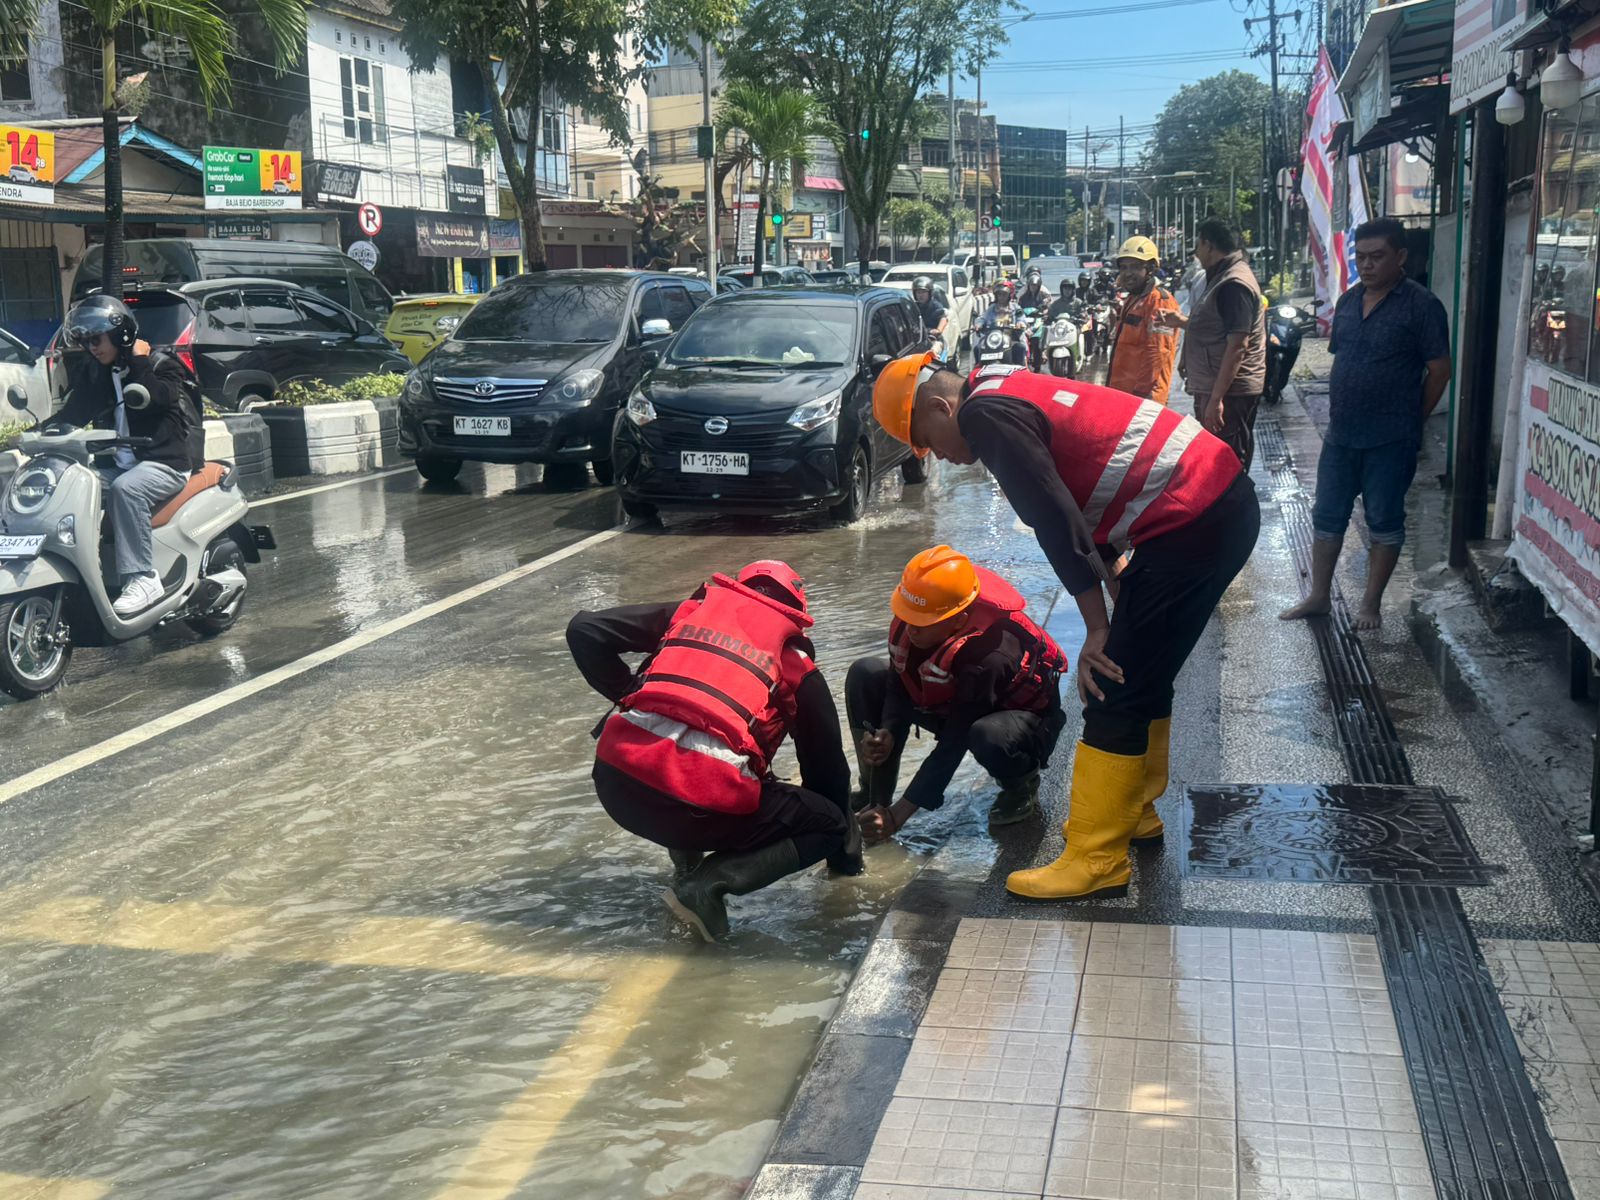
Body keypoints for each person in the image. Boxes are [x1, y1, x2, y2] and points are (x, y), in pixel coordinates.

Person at [872, 355, 1259, 900]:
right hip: (1204, 506)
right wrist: (1119, 575)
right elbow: (1084, 485)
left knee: (1111, 684)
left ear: (940, 407)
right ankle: (1134, 814)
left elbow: (1053, 515)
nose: (938, 457)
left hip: (1195, 517)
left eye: (928, 441)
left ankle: (1097, 858)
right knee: (1140, 673)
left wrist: (1096, 627)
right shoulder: (998, 381)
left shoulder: (984, 415)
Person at [567, 561, 859, 941]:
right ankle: (706, 886)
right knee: (826, 821)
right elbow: (829, 776)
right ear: (795, 618)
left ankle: (685, 869)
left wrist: (631, 697)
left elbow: (584, 630)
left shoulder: (689, 615)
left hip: (614, 785)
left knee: (681, 752)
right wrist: (843, 860)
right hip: (696, 807)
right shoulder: (797, 668)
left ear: (736, 591)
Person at [1280, 217, 1451, 632]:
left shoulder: (1421, 305)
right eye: (1362, 258)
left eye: (1378, 257)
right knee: (1327, 517)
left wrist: (1413, 420)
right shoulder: (1349, 302)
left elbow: (1440, 370)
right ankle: (1319, 596)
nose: (1369, 265)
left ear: (1401, 257)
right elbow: (1342, 357)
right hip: (1341, 435)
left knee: (1384, 521)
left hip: (1390, 438)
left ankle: (1370, 605)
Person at [847, 546, 1069, 837]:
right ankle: (874, 795)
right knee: (865, 673)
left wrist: (899, 816)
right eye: (908, 616)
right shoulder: (920, 616)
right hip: (953, 701)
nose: (911, 629)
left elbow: (955, 740)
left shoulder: (990, 654)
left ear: (959, 621)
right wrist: (886, 729)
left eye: (922, 623)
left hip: (1014, 720)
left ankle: (1020, 783)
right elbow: (899, 682)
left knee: (986, 736)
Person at [58, 294, 200, 616]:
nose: (92, 347)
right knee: (70, 483)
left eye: (97, 339)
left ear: (121, 334)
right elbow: (74, 412)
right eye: (86, 341)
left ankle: (143, 578)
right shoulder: (97, 373)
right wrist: (35, 433)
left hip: (164, 464)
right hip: (119, 467)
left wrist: (138, 362)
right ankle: (83, 570)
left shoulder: (162, 365)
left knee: (128, 489)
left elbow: (158, 400)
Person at [1160, 218, 1267, 469]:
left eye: (1198, 244)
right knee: (1219, 458)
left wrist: (1216, 399)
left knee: (1227, 462)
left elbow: (1237, 345)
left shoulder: (1233, 284)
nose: (1196, 252)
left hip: (1229, 391)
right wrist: (1182, 322)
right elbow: (1219, 328)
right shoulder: (1221, 277)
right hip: (1218, 385)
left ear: (1208, 244)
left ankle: (1233, 508)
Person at [1105, 236, 1181, 405]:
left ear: (1151, 269)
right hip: (1123, 397)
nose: (1128, 273)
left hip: (1143, 399)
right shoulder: (1133, 299)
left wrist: (1140, 397)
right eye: (1124, 267)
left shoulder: (1159, 301)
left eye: (1135, 267)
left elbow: (1158, 352)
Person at [911, 275, 950, 354]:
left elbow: (943, 318)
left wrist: (938, 330)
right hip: (918, 340)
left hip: (933, 339)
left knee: (932, 353)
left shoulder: (935, 305)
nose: (920, 295)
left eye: (923, 292)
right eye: (918, 292)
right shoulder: (913, 307)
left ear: (930, 293)